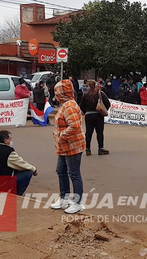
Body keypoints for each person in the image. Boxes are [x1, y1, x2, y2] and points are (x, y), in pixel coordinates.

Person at [51, 79, 86, 214]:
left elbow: (75, 126)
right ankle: (64, 198)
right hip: (64, 147)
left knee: (74, 173)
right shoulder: (66, 104)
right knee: (61, 171)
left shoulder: (69, 106)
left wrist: (62, 136)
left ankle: (78, 202)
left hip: (72, 146)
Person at [0, 130, 37, 196]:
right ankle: (15, 194)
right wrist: (34, 169)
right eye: (10, 139)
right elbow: (21, 164)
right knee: (28, 172)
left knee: (12, 166)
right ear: (5, 141)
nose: (11, 141)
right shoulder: (8, 151)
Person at [80, 80, 111, 156]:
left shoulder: (85, 94)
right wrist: (103, 110)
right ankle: (100, 149)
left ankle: (88, 149)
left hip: (88, 115)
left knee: (88, 133)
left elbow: (81, 106)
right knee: (99, 132)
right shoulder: (100, 93)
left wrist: (86, 112)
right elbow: (108, 103)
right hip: (98, 115)